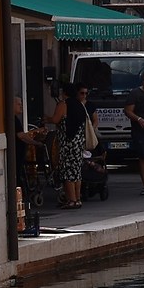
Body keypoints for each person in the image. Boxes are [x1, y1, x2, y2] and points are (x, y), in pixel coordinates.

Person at [57, 80, 92, 208]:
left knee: (68, 173)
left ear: (64, 92)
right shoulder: (80, 105)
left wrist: (47, 119)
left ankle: (71, 200)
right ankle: (77, 199)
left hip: (68, 143)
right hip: (78, 144)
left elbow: (56, 119)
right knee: (77, 172)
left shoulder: (64, 104)